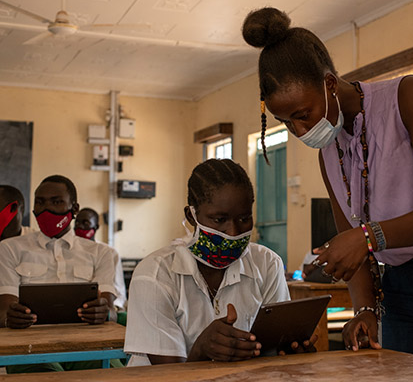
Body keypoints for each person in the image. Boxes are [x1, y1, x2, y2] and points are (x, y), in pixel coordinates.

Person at [242, 7, 413, 374]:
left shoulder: (407, 95)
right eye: (286, 122)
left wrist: (367, 237)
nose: (298, 130)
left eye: (303, 114)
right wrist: (365, 309)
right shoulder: (328, 151)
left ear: (329, 83)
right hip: (402, 292)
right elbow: (352, 247)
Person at [124, 159, 315, 365]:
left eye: (243, 219)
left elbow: (272, 349)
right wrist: (201, 350)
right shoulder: (155, 274)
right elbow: (169, 375)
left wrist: (289, 352)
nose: (233, 233)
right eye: (219, 220)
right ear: (192, 216)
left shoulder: (267, 264)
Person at [0, 175, 122, 372]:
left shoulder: (102, 253)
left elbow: (110, 311)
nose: (46, 209)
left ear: (74, 208)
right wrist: (9, 318)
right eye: (40, 202)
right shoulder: (9, 249)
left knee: (115, 376)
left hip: (89, 348)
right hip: (30, 349)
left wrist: (105, 313)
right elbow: (4, 310)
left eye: (56, 202)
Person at [75, 207, 127, 311]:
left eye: (86, 223)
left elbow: (119, 290)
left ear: (96, 227)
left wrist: (111, 308)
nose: (80, 226)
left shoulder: (109, 252)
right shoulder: (69, 251)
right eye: (77, 222)